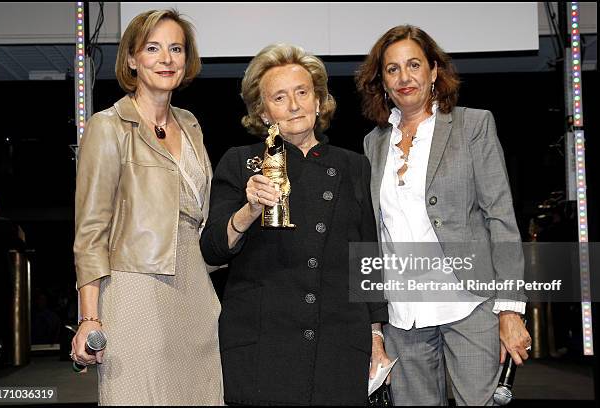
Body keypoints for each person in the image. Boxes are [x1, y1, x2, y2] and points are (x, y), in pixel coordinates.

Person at [200, 43, 390, 405]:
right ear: (263, 111)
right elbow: (212, 247)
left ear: (319, 101)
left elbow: (367, 260)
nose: (294, 105)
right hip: (262, 344)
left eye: (302, 92)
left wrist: (375, 336)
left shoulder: (354, 166)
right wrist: (249, 209)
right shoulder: (241, 163)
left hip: (338, 341)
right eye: (279, 97)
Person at [356, 25, 532, 405]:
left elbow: (500, 217)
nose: (404, 77)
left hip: (468, 303)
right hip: (403, 314)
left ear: (434, 71)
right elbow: (375, 234)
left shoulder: (473, 125)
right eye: (392, 69)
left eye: (414, 65)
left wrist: (511, 308)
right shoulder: (374, 144)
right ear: (382, 82)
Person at [71, 9, 223, 405]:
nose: (166, 58)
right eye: (153, 48)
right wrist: (89, 318)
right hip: (135, 285)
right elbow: (90, 232)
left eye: (176, 48)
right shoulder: (108, 126)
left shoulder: (190, 124)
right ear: (132, 59)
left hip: (195, 285)